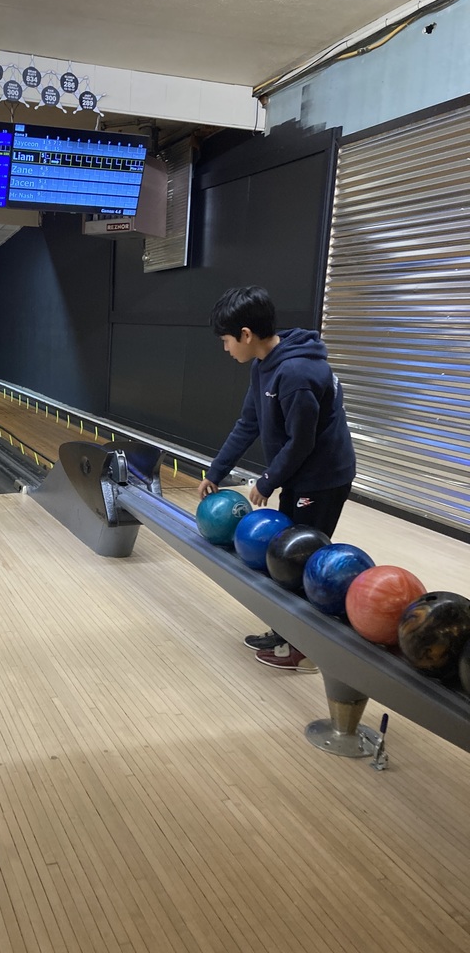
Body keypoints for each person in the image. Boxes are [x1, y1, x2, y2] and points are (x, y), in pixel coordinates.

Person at [197, 285, 356, 671]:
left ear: (246, 334)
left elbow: (302, 442)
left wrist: (266, 481)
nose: (225, 349)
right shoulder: (263, 365)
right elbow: (247, 423)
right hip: (301, 474)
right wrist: (216, 472)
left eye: (226, 340)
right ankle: (286, 631)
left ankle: (306, 650)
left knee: (302, 560)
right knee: (285, 556)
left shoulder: (297, 374)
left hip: (323, 478)